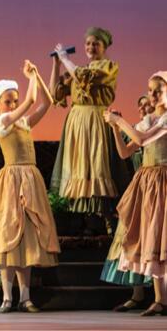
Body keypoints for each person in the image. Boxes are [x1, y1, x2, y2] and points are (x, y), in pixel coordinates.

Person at [0, 61, 60, 313]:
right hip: (11, 182)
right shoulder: (2, 122)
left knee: (28, 239)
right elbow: (32, 100)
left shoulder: (23, 124)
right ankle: (6, 298)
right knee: (8, 238)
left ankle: (25, 298)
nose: (13, 105)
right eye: (9, 101)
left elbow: (46, 103)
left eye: (15, 101)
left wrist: (37, 74)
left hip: (30, 180)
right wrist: (30, 77)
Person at [49, 27, 131, 235]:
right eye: (88, 44)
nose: (90, 47)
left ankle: (106, 220)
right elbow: (55, 94)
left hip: (95, 120)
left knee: (97, 165)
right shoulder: (76, 70)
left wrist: (66, 58)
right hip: (77, 123)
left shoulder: (108, 67)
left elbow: (84, 76)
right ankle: (81, 220)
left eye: (95, 43)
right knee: (79, 167)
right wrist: (56, 64)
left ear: (103, 47)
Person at [103, 71, 167, 316]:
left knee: (162, 236)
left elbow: (140, 139)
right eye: (150, 89)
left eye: (157, 90)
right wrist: (113, 127)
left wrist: (120, 122)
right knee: (152, 237)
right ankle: (159, 300)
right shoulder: (149, 119)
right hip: (148, 181)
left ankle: (162, 298)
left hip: (163, 179)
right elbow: (125, 152)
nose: (151, 94)